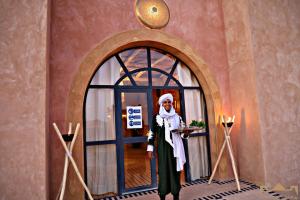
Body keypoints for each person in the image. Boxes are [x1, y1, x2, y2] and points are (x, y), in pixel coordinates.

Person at [147, 93, 190, 200]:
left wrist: (187, 133)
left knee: (176, 172)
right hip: (162, 149)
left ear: (171, 104)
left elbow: (183, 133)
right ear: (161, 104)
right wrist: (150, 148)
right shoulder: (157, 118)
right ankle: (162, 195)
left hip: (176, 148)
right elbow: (151, 133)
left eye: (169, 102)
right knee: (163, 171)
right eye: (165, 102)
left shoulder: (178, 117)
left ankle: (176, 195)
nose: (167, 104)